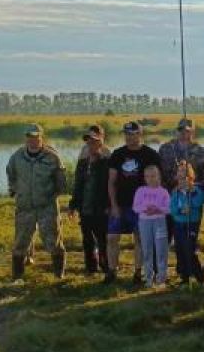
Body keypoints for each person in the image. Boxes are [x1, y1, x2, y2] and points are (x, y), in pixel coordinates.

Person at [5, 124, 68, 282]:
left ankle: (59, 276)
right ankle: (17, 278)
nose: (32, 140)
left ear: (41, 137)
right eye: (29, 137)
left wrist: (51, 196)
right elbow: (11, 174)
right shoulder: (17, 156)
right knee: (20, 243)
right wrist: (15, 190)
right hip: (25, 207)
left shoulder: (52, 157)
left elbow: (61, 182)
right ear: (26, 138)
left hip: (47, 208)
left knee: (54, 241)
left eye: (36, 137)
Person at [106, 122, 162, 285]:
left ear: (140, 134)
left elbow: (157, 181)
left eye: (133, 134)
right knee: (112, 238)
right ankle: (112, 271)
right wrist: (114, 205)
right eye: (127, 134)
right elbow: (111, 182)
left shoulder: (151, 154)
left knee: (140, 239)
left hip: (142, 206)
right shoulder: (118, 154)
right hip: (120, 204)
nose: (129, 137)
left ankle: (138, 272)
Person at [68, 125, 111, 276]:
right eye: (88, 141)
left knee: (103, 239)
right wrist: (73, 205)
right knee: (87, 240)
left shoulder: (107, 161)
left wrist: (110, 205)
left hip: (101, 208)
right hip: (85, 208)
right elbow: (78, 185)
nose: (91, 144)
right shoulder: (82, 162)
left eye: (94, 141)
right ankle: (91, 268)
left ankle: (106, 267)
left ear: (101, 141)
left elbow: (112, 186)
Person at [132, 164, 171, 288]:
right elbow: (135, 207)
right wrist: (146, 208)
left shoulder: (163, 192)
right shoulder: (140, 190)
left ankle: (161, 278)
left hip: (159, 222)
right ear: (144, 178)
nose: (150, 179)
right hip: (144, 223)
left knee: (161, 249)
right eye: (147, 176)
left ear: (158, 176)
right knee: (147, 249)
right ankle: (148, 278)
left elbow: (169, 208)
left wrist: (158, 209)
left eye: (153, 176)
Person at [169, 161, 204, 285]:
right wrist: (181, 210)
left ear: (190, 176)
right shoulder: (175, 192)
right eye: (179, 172)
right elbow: (172, 209)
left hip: (191, 224)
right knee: (180, 249)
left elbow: (199, 202)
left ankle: (200, 277)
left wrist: (191, 193)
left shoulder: (196, 190)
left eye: (184, 172)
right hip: (178, 224)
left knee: (189, 249)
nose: (181, 175)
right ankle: (184, 277)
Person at [158, 119, 204, 190]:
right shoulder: (165, 148)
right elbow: (158, 172)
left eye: (187, 131)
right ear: (176, 131)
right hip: (168, 191)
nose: (183, 133)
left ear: (193, 132)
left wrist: (191, 184)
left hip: (193, 192)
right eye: (180, 130)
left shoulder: (202, 152)